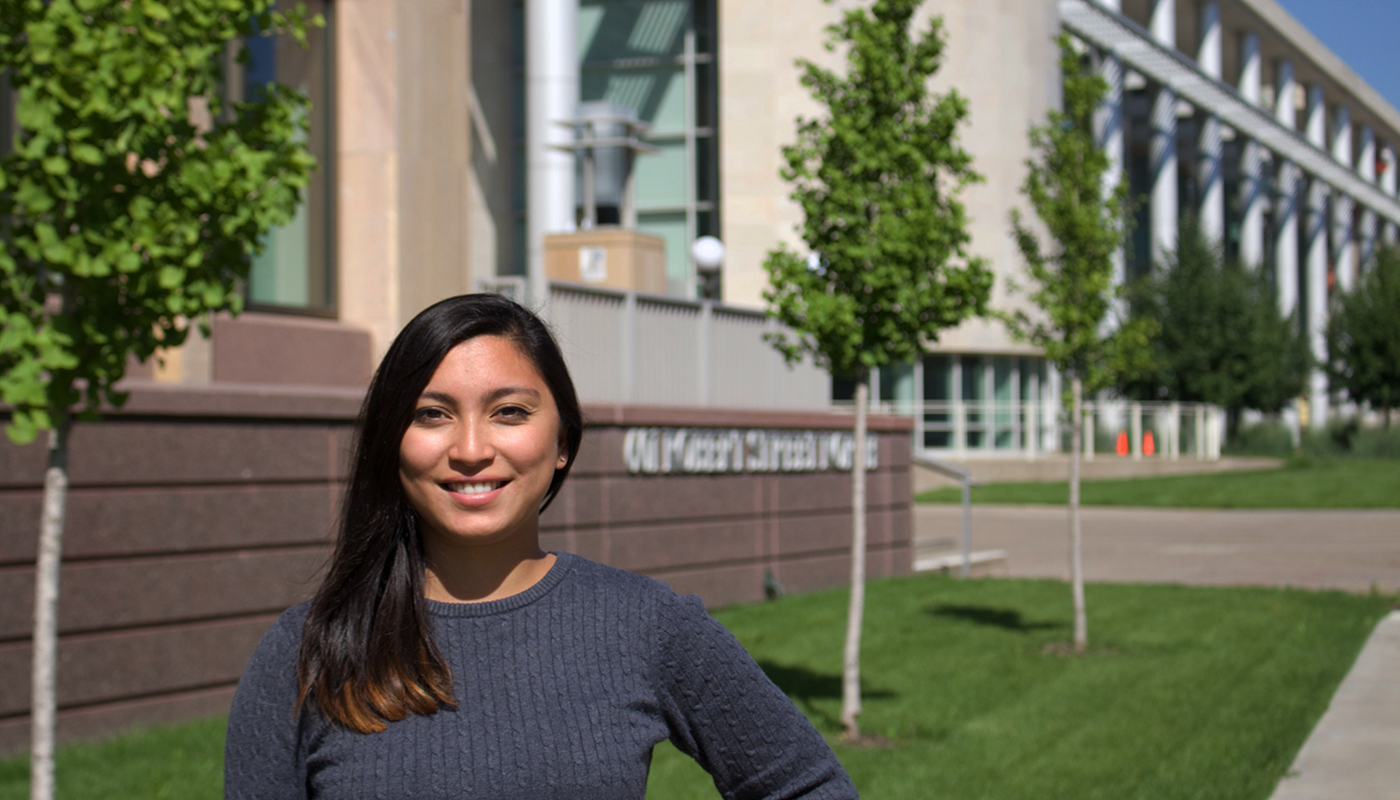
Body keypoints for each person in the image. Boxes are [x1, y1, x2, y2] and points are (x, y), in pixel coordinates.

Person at [224, 294, 858, 799]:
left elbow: (805, 786)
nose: (470, 449)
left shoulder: (646, 625)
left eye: (510, 412)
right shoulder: (305, 652)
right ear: (392, 441)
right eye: (432, 414)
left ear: (562, 441)